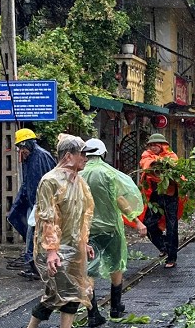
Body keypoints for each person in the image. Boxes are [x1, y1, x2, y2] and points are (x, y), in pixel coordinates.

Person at [26, 134, 95, 328]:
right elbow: (48, 217)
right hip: (55, 250)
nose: (85, 158)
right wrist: (51, 251)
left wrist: (84, 242)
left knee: (56, 294)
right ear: (68, 156)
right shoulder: (50, 181)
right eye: (82, 154)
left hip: (73, 247)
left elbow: (81, 216)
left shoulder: (78, 182)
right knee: (70, 293)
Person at [81, 138, 147, 323]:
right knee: (116, 264)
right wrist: (137, 222)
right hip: (111, 229)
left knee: (89, 270)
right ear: (103, 153)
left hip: (88, 231)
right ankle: (116, 308)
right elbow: (120, 200)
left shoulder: (78, 173)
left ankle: (92, 314)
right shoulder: (108, 173)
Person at [7, 128, 56, 280]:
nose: (21, 150)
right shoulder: (30, 158)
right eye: (19, 147)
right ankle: (35, 265)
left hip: (41, 203)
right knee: (31, 233)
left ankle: (35, 266)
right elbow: (28, 182)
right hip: (33, 202)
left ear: (28, 144)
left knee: (32, 235)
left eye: (22, 147)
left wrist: (40, 205)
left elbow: (45, 184)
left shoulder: (40, 156)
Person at [139, 133, 180, 269]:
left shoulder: (171, 156)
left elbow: (175, 167)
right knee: (148, 224)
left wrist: (162, 163)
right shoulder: (147, 155)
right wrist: (158, 162)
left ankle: (172, 257)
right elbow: (146, 163)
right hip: (155, 195)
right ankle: (164, 247)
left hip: (170, 196)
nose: (153, 147)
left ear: (162, 145)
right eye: (151, 145)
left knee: (171, 226)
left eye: (155, 145)